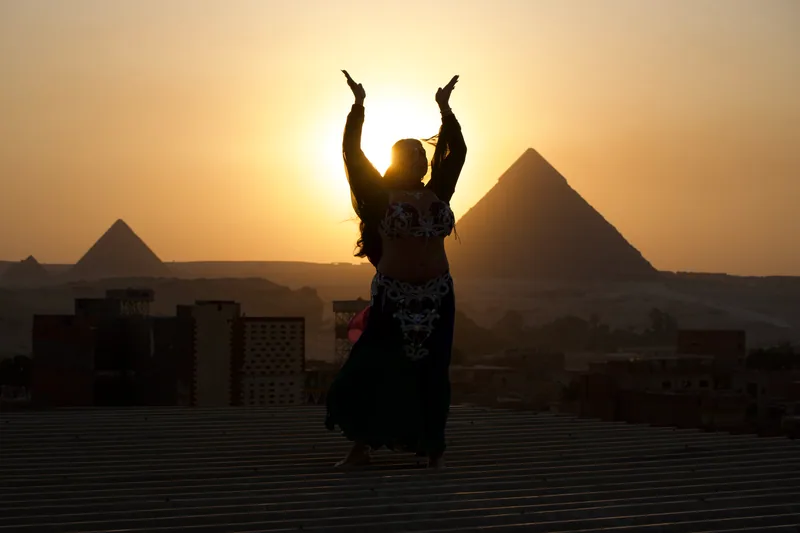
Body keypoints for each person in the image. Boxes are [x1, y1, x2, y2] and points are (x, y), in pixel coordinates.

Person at [324, 71, 467, 469]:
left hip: (439, 295)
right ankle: (360, 447)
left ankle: (433, 448)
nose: (420, 160)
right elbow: (353, 153)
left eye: (423, 155)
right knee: (375, 365)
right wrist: (358, 107)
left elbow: (458, 152)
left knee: (433, 369)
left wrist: (445, 111)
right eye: (412, 155)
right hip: (394, 295)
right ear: (396, 160)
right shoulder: (378, 195)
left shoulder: (438, 191)